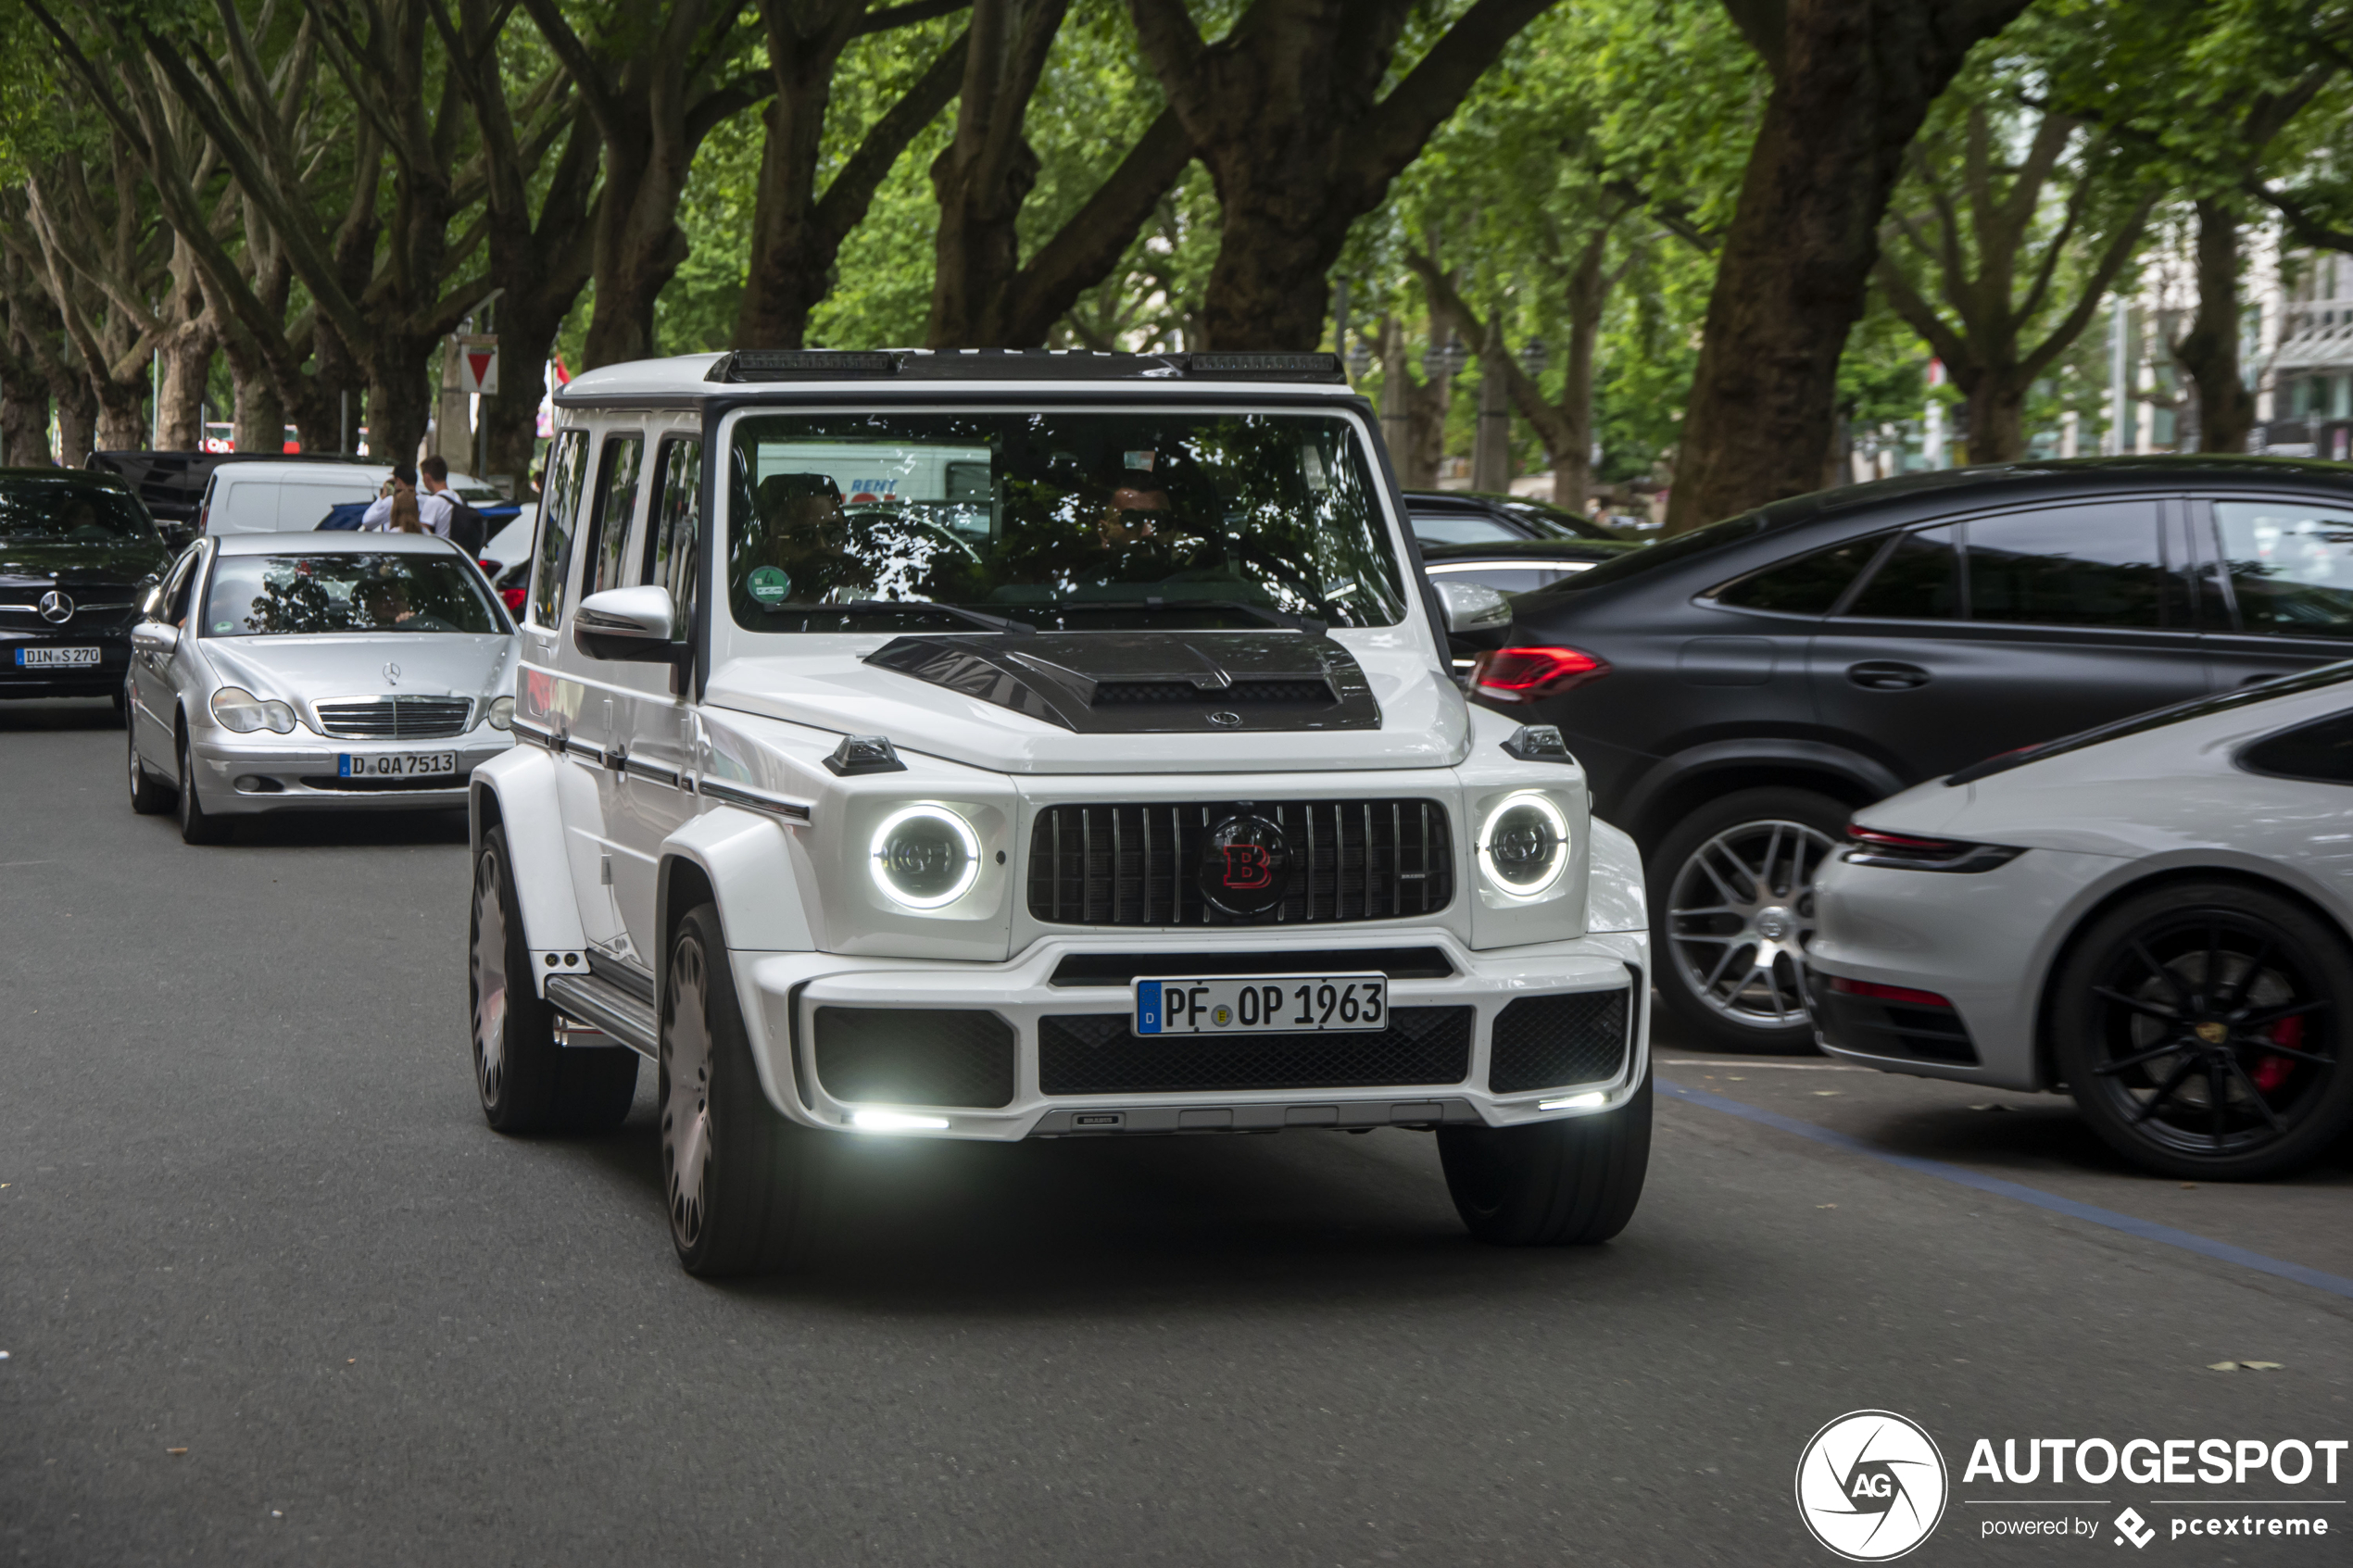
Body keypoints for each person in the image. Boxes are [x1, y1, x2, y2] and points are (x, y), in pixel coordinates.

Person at [421, 455, 486, 558]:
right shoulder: (457, 497)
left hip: (439, 553)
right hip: (457, 552)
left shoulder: (433, 502)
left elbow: (423, 531)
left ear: (427, 477)